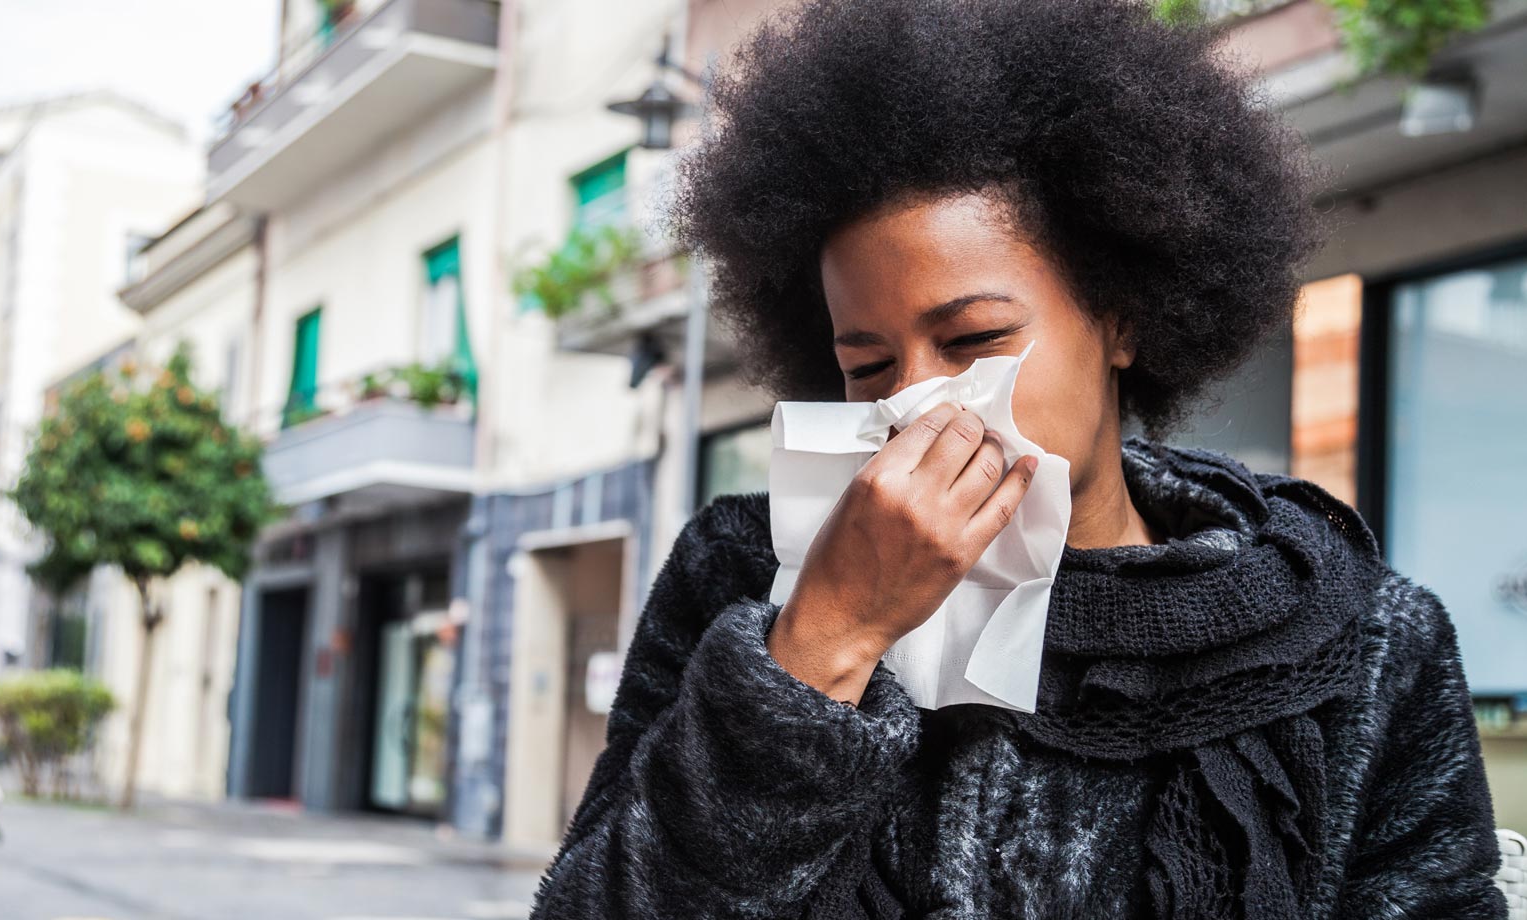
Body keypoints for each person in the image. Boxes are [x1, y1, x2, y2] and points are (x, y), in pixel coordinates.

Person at [527, 1, 1509, 918]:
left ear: (1120, 320)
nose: (917, 401)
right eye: (868, 365)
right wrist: (825, 640)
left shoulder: (1359, 640)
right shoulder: (743, 575)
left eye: (973, 340)